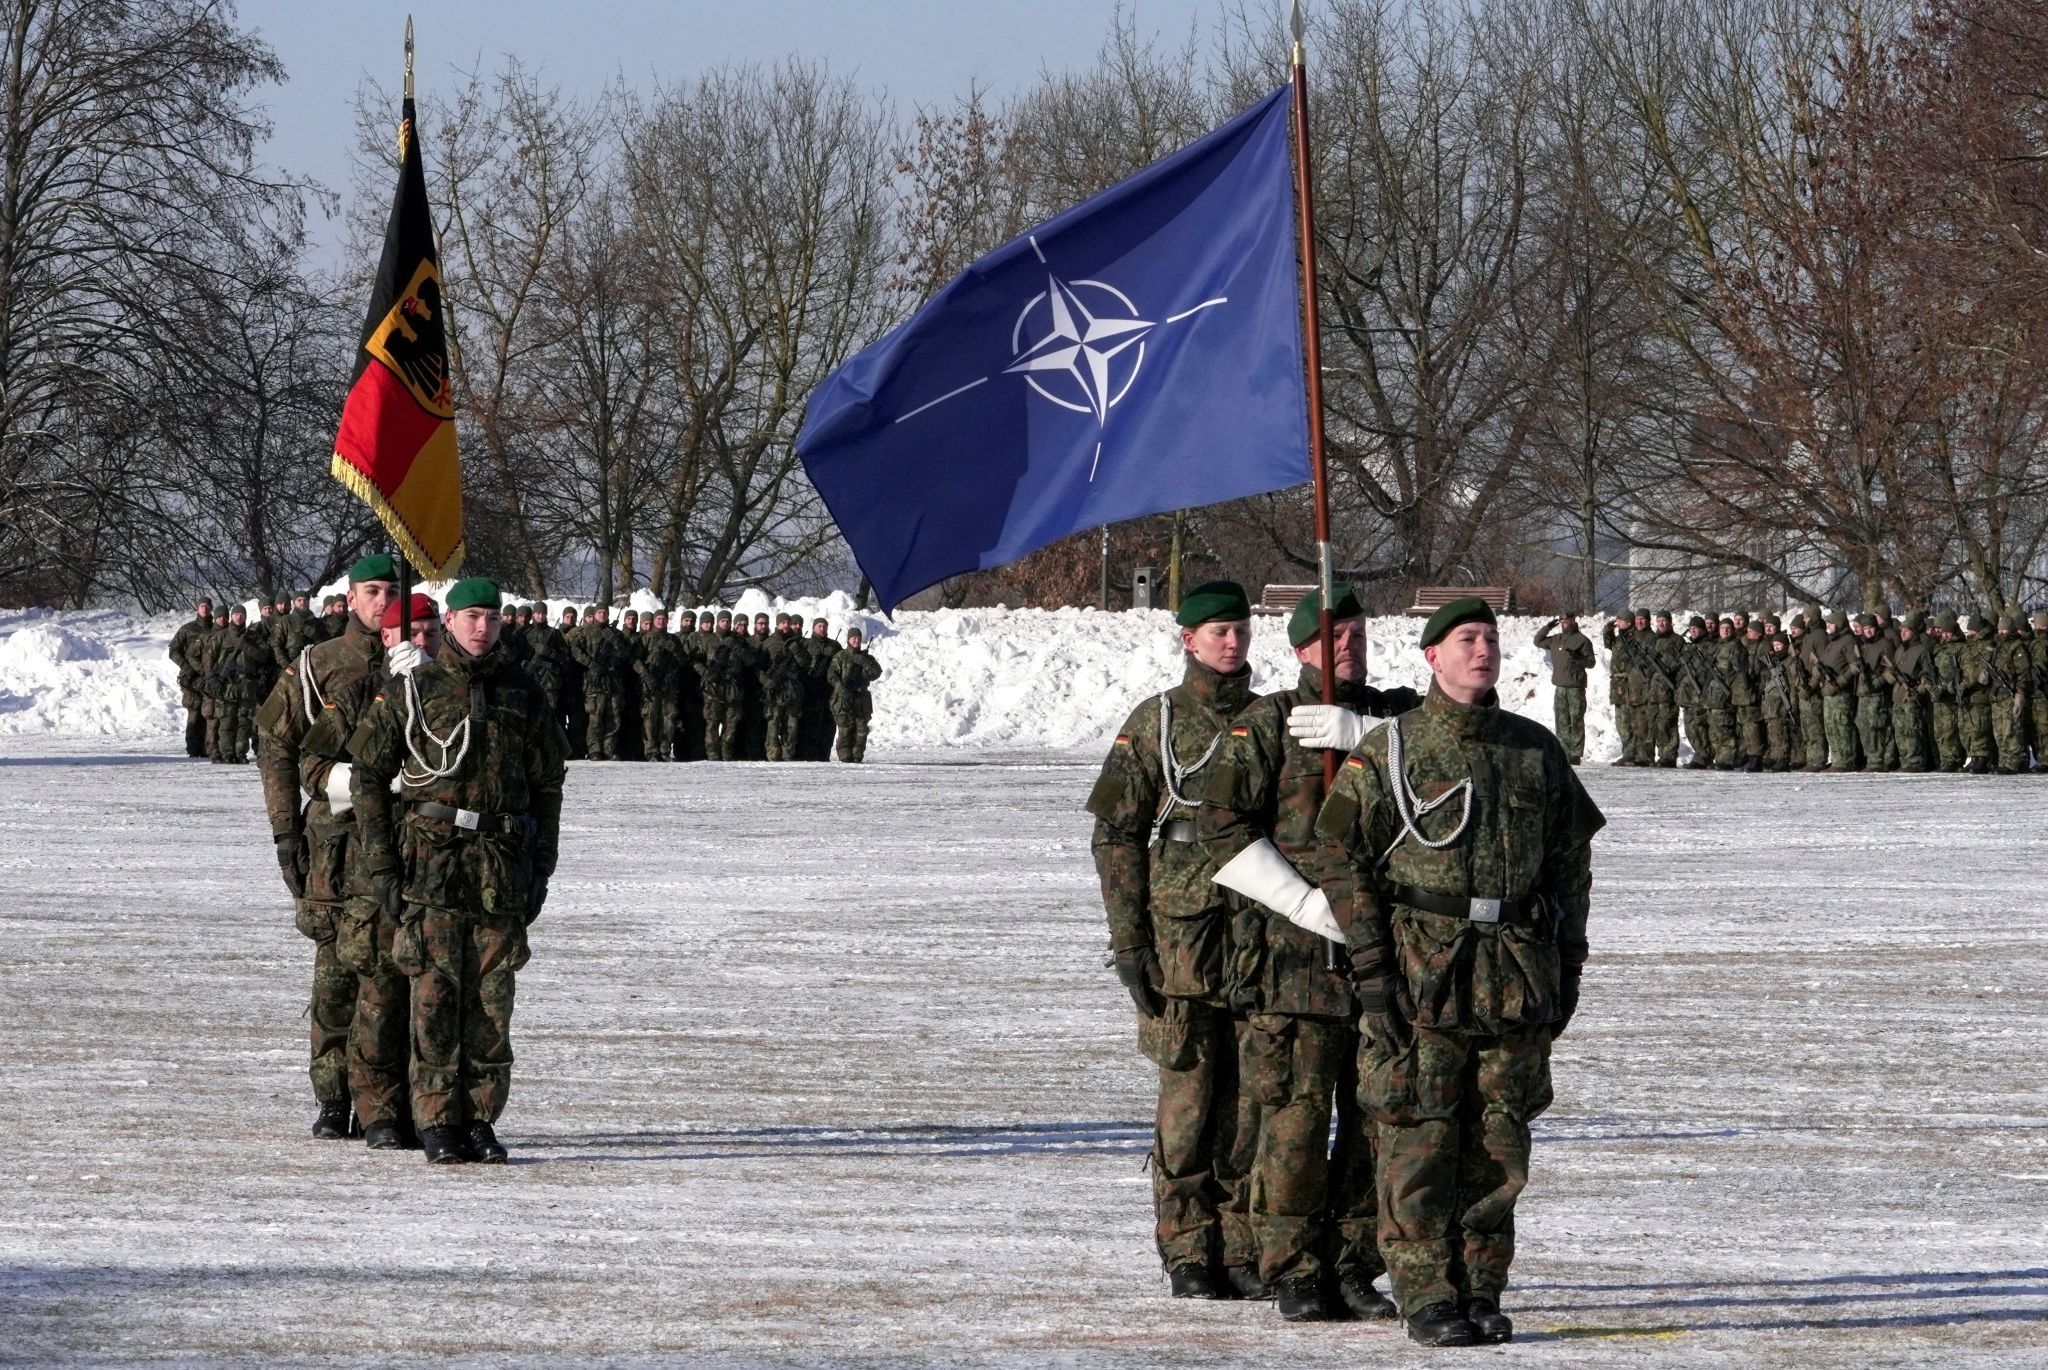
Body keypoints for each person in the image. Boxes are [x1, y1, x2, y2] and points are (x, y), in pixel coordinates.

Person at [1314, 598, 1605, 1347]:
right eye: (1465, 640)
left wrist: (1568, 959)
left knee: (1500, 1142)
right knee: (1419, 1135)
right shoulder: (1392, 750)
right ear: (1432, 657)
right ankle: (1425, 1293)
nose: (1482, 651)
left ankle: (1480, 1288)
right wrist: (1371, 962)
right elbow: (1340, 859)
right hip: (1422, 971)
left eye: (1489, 640)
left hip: (1513, 971)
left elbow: (1572, 864)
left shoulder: (1533, 749)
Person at [1198, 585, 1416, 1321]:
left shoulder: (1399, 719)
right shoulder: (1265, 724)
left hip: (1385, 959)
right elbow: (1219, 827)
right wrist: (1300, 901)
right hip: (1294, 961)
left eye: (1355, 632)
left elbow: (1448, 764)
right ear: (1300, 650)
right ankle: (1291, 1265)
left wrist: (1367, 735)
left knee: (1373, 1123)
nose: (1346, 644)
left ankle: (1355, 1262)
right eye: (1331, 636)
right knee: (1290, 1119)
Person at [348, 578, 567, 1165]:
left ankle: (480, 1117)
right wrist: (383, 866)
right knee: (435, 997)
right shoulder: (413, 691)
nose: (482, 628)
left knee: (493, 1003)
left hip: (500, 866)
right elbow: (367, 775)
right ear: (448, 621)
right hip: (432, 866)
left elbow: (549, 783)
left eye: (492, 619)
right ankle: (437, 1117)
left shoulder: (523, 693)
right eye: (471, 617)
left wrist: (541, 863)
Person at [1085, 581, 1260, 1300]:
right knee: (1187, 1102)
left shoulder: (1272, 719)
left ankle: (1244, 1244)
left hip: (1258, 933)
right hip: (1178, 939)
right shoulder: (1153, 723)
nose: (1231, 641)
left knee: (1253, 1100)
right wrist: (1129, 944)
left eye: (1240, 629)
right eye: (1216, 630)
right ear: (1187, 638)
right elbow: (1115, 836)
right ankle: (1187, 1246)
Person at [251, 554, 400, 1138]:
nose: (382, 601)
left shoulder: (420, 658)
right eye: (371, 590)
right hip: (336, 845)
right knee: (335, 974)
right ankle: (334, 1097)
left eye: (391, 590)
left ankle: (388, 1100)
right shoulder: (317, 665)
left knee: (395, 975)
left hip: (404, 844)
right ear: (351, 597)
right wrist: (285, 831)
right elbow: (275, 744)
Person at [295, 591, 441, 1149]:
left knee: (411, 989)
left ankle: (399, 1106)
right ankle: (338, 1101)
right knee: (344, 985)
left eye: (430, 634)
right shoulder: (359, 693)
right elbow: (311, 764)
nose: (420, 644)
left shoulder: (451, 695)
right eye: (411, 634)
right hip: (354, 860)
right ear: (387, 638)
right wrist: (370, 782)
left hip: (425, 859)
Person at [1531, 614, 1594, 765]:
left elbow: (1591, 663)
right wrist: (1548, 627)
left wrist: (1578, 658)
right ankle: (1564, 750)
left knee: (1576, 719)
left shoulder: (1582, 640)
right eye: (1562, 622)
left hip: (1575, 686)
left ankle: (1575, 753)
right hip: (1560, 686)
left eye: (1567, 622)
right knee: (1561, 720)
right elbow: (1537, 641)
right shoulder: (1556, 639)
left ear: (1573, 621)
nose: (1564, 624)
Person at [827, 628, 882, 762]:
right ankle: (845, 756)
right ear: (849, 640)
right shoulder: (840, 656)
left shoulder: (867, 658)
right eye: (853, 638)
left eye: (858, 638)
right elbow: (831, 675)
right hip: (844, 698)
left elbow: (876, 673)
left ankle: (857, 755)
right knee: (846, 728)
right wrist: (841, 689)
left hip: (861, 699)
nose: (856, 640)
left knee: (861, 730)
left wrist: (864, 662)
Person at [169, 598, 215, 757]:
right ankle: (194, 749)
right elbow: (173, 651)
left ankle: (209, 748)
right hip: (191, 678)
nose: (205, 609)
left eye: (208, 606)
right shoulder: (187, 629)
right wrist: (186, 666)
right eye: (202, 606)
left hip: (210, 677)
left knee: (210, 712)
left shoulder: (216, 628)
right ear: (198, 608)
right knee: (195, 712)